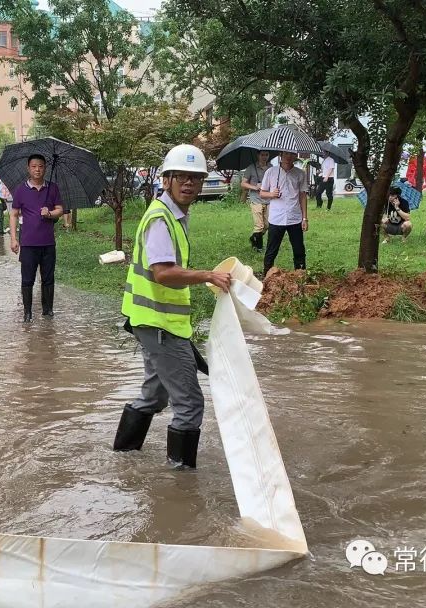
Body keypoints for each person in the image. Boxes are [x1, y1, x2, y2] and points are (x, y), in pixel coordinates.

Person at [112, 144, 233, 470]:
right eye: (180, 176)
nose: (189, 183)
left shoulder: (174, 216)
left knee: (155, 395)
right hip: (160, 326)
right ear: (166, 180)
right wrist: (208, 275)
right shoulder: (161, 219)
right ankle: (181, 486)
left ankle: (122, 457)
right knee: (190, 403)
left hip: (152, 322)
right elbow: (162, 273)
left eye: (195, 177)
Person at [10, 154, 64, 322]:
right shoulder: (20, 190)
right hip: (28, 243)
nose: (37, 169)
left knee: (48, 278)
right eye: (34, 166)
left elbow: (60, 210)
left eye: (40, 166)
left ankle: (48, 311)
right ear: (29, 168)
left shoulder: (53, 188)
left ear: (45, 168)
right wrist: (13, 238)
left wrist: (50, 213)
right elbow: (13, 214)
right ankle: (27, 313)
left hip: (48, 243)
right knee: (27, 279)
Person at [260, 151, 310, 277]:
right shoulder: (271, 172)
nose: (289, 157)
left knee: (299, 250)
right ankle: (266, 276)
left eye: (292, 154)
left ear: (295, 156)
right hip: (277, 218)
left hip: (295, 217)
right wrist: (271, 194)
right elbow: (262, 193)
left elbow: (303, 196)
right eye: (286, 154)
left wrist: (305, 218)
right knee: (271, 250)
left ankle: (301, 276)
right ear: (281, 155)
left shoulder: (300, 173)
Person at [240, 150, 271, 252]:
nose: (264, 157)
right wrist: (255, 187)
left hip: (268, 199)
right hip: (256, 199)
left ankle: (254, 238)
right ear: (258, 155)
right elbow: (243, 184)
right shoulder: (251, 168)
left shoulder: (271, 168)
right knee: (259, 225)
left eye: (266, 155)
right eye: (262, 155)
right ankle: (258, 247)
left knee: (267, 225)